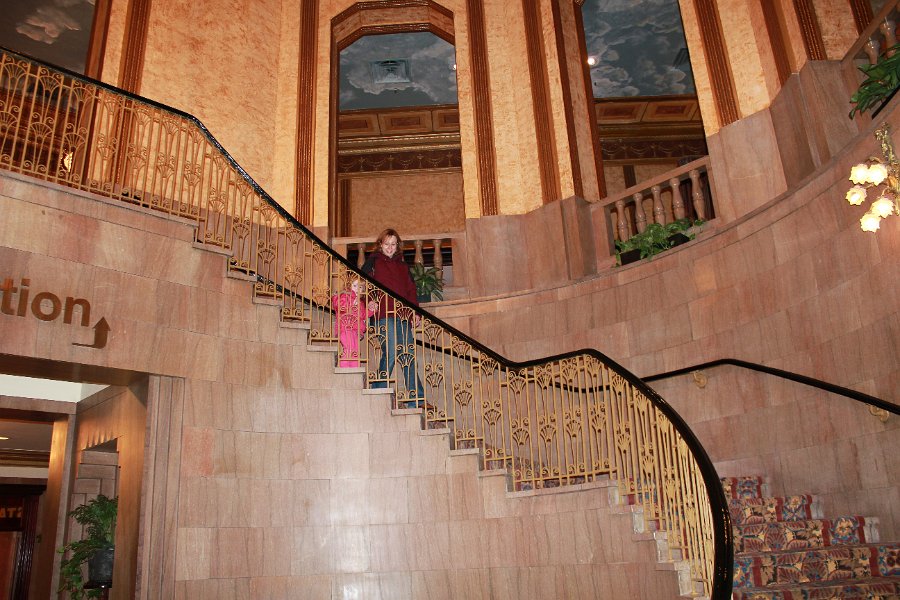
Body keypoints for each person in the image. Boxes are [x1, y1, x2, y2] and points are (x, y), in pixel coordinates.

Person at [362, 228, 426, 404]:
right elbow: (363, 286)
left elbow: (411, 291)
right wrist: (368, 301)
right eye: (386, 244)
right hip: (383, 315)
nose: (390, 247)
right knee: (391, 351)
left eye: (393, 244)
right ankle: (378, 389)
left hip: (403, 315)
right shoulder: (373, 263)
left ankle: (416, 398)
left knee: (408, 355)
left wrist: (415, 313)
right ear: (380, 244)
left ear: (397, 246)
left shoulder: (403, 266)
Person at [331, 277, 374, 367]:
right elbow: (338, 306)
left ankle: (355, 369)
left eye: (360, 287)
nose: (357, 289)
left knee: (355, 350)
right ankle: (344, 369)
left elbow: (363, 315)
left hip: (356, 330)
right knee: (348, 348)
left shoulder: (360, 302)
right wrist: (351, 304)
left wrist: (371, 310)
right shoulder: (345, 295)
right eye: (355, 286)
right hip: (345, 328)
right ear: (348, 286)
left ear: (363, 289)